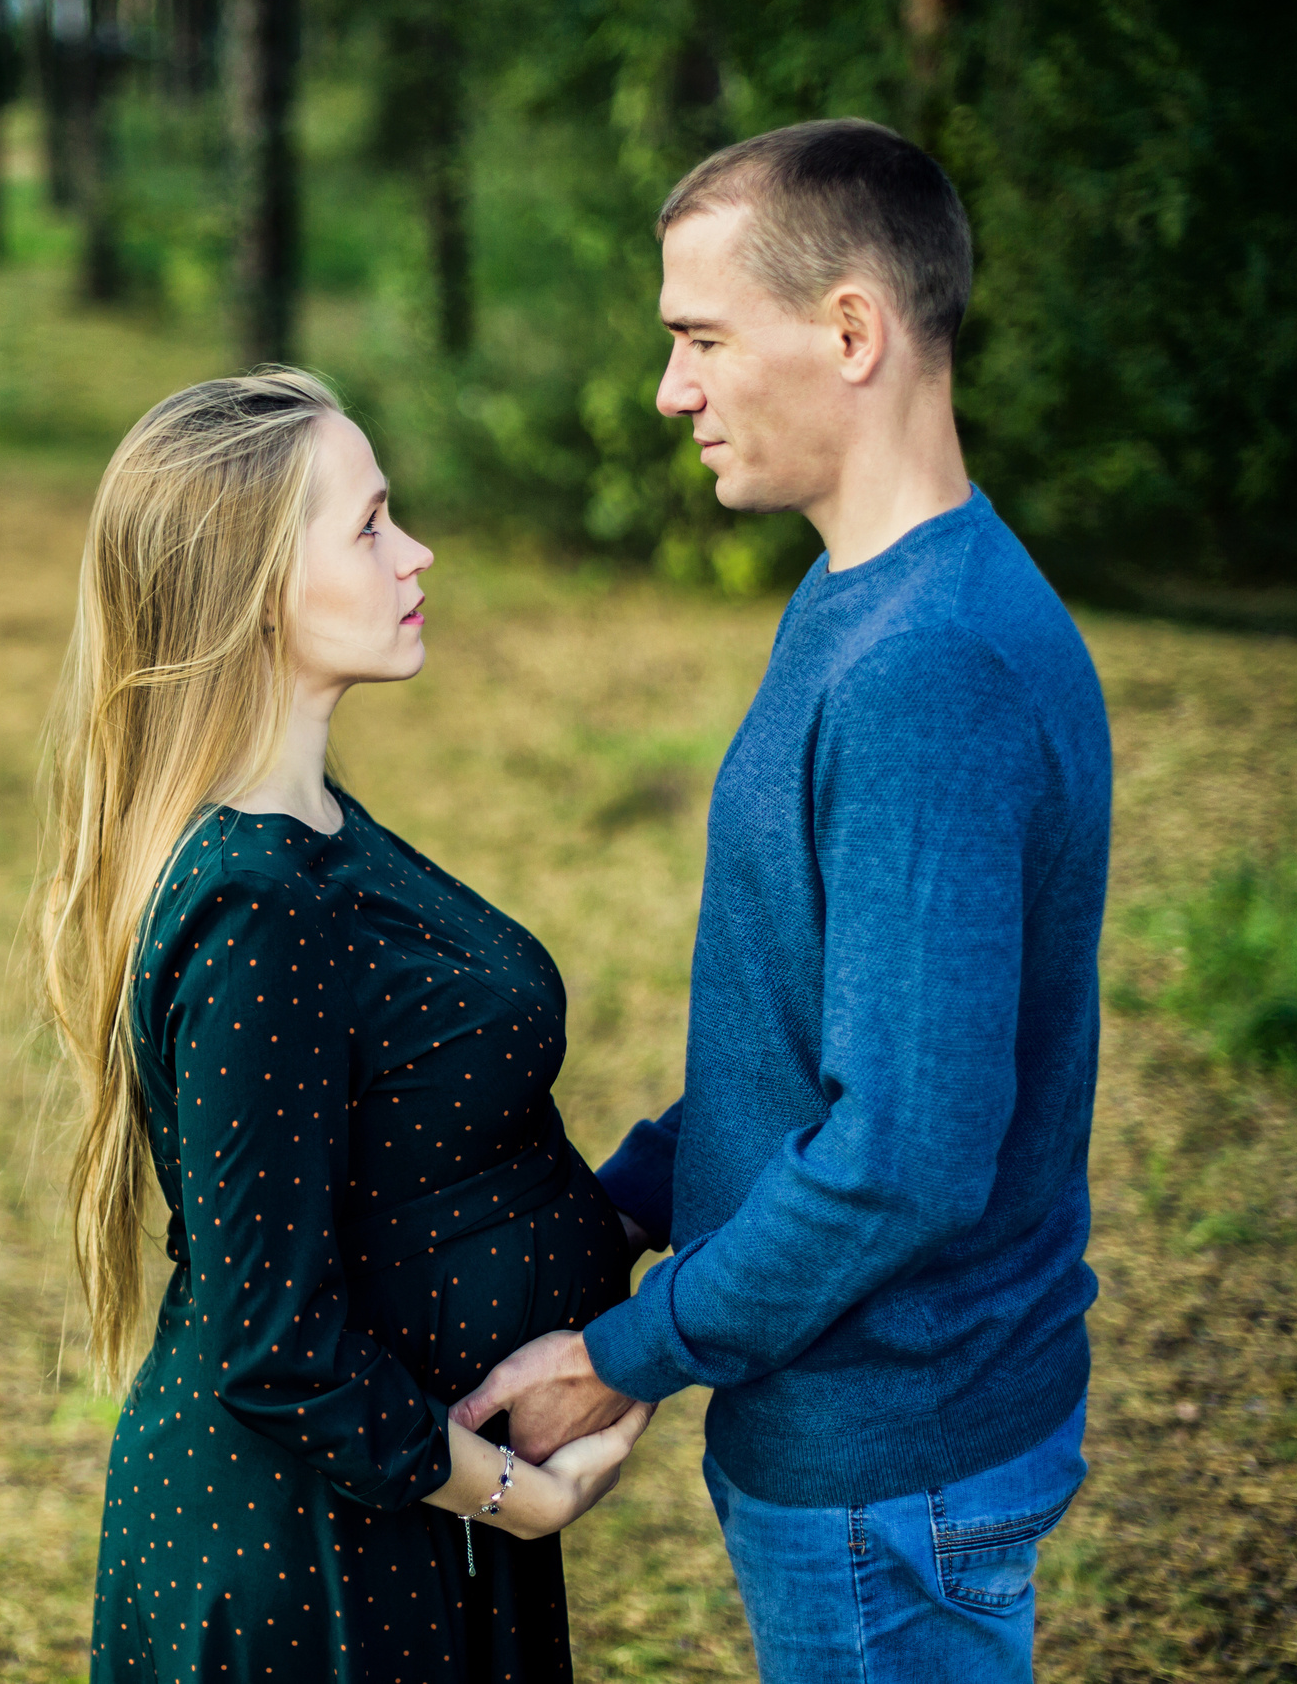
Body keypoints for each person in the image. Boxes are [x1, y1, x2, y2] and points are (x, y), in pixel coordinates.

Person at [455, 118, 1114, 1682]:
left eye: (699, 339)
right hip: (866, 1444)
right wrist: (604, 1208)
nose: (672, 390)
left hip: (894, 1464)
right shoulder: (858, 599)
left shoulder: (929, 671)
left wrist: (626, 1358)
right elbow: (807, 1034)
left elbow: (900, 1156)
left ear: (851, 332)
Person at [35, 370, 655, 1683]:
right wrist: (518, 1496)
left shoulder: (315, 827)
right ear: (260, 587)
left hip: (395, 1522)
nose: (415, 550)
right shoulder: (255, 908)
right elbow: (274, 1345)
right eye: (371, 525)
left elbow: (433, 1166)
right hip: (308, 1566)